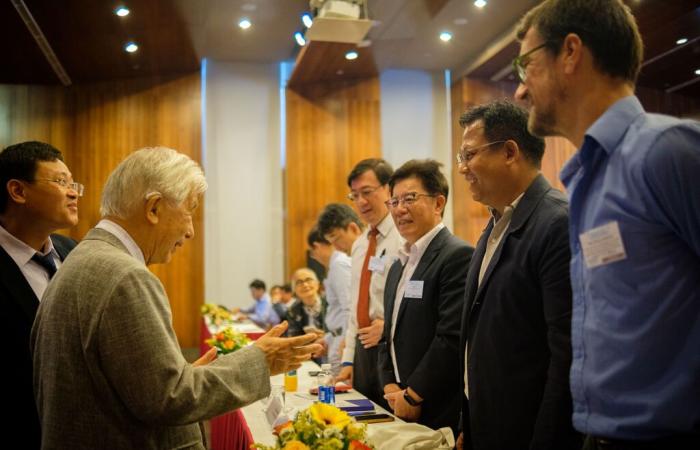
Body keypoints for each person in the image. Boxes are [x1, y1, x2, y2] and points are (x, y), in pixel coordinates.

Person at [30, 147, 321, 449]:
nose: (191, 231)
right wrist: (261, 360)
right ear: (154, 208)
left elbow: (131, 389)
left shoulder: (81, 259)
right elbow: (169, 399)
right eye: (190, 210)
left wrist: (182, 376)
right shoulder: (126, 276)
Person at [514, 1, 700, 448]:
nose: (520, 91)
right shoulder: (586, 178)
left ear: (571, 52)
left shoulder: (665, 151)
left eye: (526, 66)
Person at [456, 101, 580, 449]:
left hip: (525, 432)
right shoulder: (495, 225)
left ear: (509, 152)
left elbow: (566, 354)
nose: (463, 168)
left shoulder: (557, 223)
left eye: (469, 155)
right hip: (486, 425)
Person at [378, 159, 473, 433]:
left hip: (436, 405)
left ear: (438, 203)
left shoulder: (456, 255)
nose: (400, 209)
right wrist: (389, 385)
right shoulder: (398, 264)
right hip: (396, 401)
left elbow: (451, 337)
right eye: (393, 202)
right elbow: (387, 334)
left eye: (409, 198)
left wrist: (413, 394)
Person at [0, 141, 80, 449]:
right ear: (18, 191)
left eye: (74, 184)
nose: (73, 193)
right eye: (61, 183)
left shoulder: (74, 251)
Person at [335, 159, 401, 407]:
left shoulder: (403, 237)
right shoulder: (361, 244)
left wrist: (388, 326)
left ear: (388, 189)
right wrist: (348, 359)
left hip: (390, 348)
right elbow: (355, 306)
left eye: (367, 192)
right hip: (363, 350)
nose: (361, 202)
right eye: (354, 196)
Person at [307, 226, 352, 374]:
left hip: (343, 339)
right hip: (336, 337)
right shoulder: (334, 265)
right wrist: (327, 338)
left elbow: (349, 307)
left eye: (313, 253)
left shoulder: (339, 264)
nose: (315, 257)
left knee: (339, 391)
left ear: (317, 246)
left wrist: (347, 342)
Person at [286, 267, 328, 365]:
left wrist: (327, 336)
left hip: (331, 353)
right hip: (307, 357)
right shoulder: (292, 310)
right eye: (299, 282)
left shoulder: (330, 304)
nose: (305, 285)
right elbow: (293, 338)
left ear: (318, 284)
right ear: (294, 290)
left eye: (308, 280)